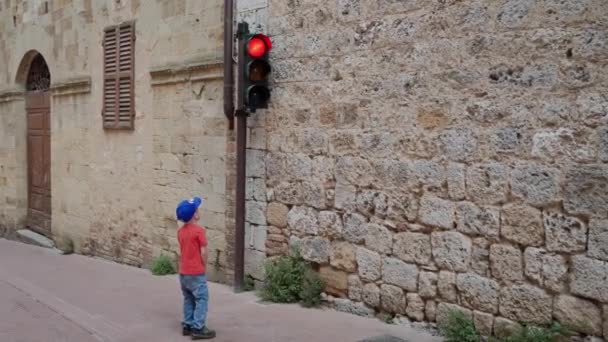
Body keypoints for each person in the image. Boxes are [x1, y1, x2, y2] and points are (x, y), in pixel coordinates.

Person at [176, 197, 216, 340]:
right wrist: (204, 265)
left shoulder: (180, 232)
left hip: (183, 272)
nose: (199, 211)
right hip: (196, 271)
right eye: (197, 209)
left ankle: (187, 324)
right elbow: (203, 251)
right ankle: (198, 327)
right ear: (195, 215)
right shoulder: (199, 231)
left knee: (188, 298)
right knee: (201, 298)